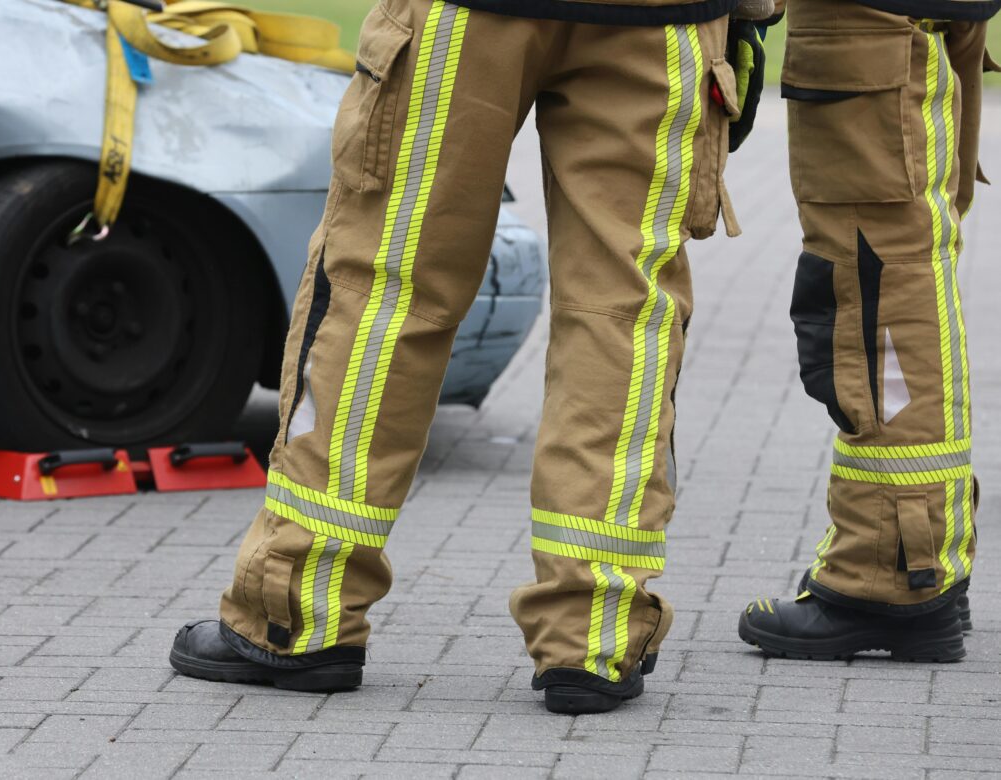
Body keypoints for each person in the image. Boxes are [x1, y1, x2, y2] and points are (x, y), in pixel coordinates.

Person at [169, 0, 770, 715]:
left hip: (466, 17)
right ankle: (594, 634)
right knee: (623, 317)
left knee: (387, 290)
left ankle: (298, 608)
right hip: (661, 19)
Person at [739, 0, 998, 660]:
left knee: (878, 293)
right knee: (902, 280)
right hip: (898, 34)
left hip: (870, 34)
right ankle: (925, 558)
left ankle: (889, 577)